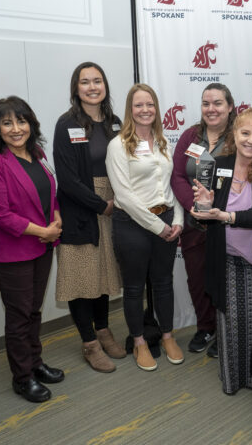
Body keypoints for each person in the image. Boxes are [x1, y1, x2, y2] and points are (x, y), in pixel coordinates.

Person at [0, 96, 64, 403]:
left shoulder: (37, 153)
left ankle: (35, 362)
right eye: (7, 122)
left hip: (42, 247)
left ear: (31, 124)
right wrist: (44, 231)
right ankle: (22, 377)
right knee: (19, 315)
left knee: (34, 311)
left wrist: (56, 218)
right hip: (11, 253)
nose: (16, 128)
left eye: (22, 121)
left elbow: (50, 194)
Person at [191, 107, 252, 395]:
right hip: (224, 256)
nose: (251, 140)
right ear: (234, 134)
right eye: (245, 133)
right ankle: (233, 378)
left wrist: (225, 216)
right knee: (230, 320)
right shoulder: (218, 164)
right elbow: (201, 213)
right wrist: (204, 206)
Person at [53, 62, 125, 373]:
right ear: (76, 88)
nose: (92, 86)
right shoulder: (67, 123)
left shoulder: (116, 123)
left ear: (105, 86)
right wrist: (100, 205)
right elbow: (67, 179)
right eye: (85, 82)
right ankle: (89, 343)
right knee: (82, 277)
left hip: (115, 201)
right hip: (82, 207)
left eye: (97, 81)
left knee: (104, 274)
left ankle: (104, 330)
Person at [106, 83, 184, 372]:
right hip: (133, 225)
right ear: (130, 110)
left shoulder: (164, 143)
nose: (145, 110)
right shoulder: (118, 145)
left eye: (149, 104)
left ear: (156, 108)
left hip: (166, 221)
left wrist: (177, 221)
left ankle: (167, 335)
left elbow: (172, 186)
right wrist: (156, 226)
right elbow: (124, 195)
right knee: (135, 287)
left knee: (164, 283)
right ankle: (139, 341)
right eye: (138, 105)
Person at [171, 83, 236, 358]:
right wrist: (192, 205)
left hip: (225, 221)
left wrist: (215, 208)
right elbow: (177, 175)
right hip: (194, 221)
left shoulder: (237, 136)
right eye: (206, 103)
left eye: (218, 103)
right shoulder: (189, 137)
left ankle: (226, 331)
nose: (212, 109)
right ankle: (206, 326)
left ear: (230, 106)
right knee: (197, 278)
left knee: (225, 277)